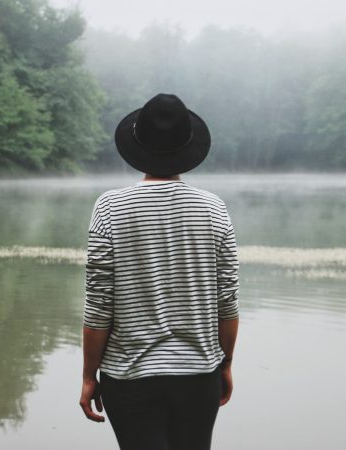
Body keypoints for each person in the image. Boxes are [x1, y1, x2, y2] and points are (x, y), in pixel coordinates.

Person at [79, 93, 240, 450]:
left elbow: (99, 304)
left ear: (137, 146)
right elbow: (227, 300)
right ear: (188, 146)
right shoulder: (213, 209)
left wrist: (89, 375)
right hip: (199, 376)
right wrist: (225, 364)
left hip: (130, 377)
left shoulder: (110, 207)